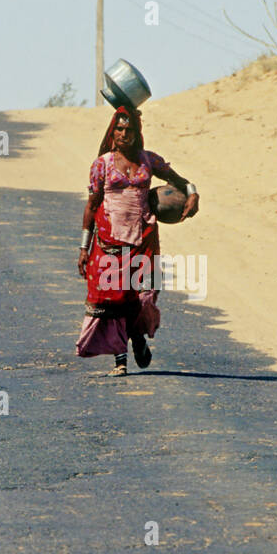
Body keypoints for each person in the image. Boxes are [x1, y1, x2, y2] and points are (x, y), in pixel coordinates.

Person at [76, 105, 199, 375]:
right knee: (113, 299)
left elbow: (180, 180)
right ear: (112, 132)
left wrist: (192, 194)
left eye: (129, 129)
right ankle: (120, 360)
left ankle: (138, 337)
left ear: (137, 132)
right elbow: (91, 205)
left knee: (140, 295)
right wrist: (84, 247)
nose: (124, 134)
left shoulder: (148, 161)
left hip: (143, 238)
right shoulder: (102, 165)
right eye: (119, 129)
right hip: (110, 240)